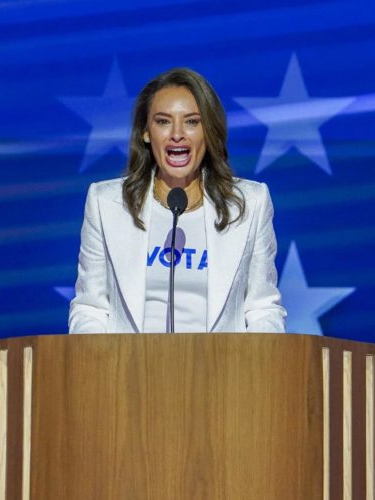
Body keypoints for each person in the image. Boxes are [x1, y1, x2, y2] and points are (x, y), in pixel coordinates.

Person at [69, 68, 285, 334]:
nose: (177, 134)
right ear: (146, 133)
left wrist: (252, 368)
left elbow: (263, 308)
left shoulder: (250, 203)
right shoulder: (107, 203)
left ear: (209, 131)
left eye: (192, 122)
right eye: (163, 121)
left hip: (223, 371)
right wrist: (104, 367)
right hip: (128, 371)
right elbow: (90, 308)